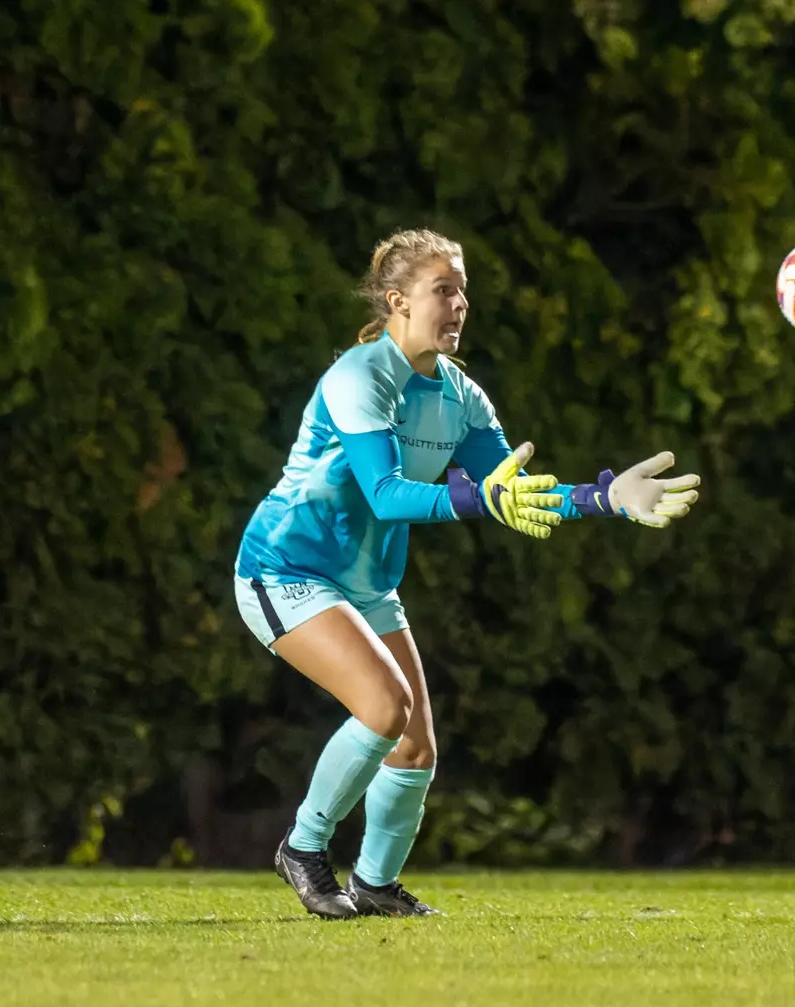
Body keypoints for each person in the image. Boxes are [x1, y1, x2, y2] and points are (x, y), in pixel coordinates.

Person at [234, 228, 701, 920]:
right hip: (286, 567)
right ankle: (303, 850)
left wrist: (605, 498)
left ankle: (375, 885)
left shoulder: (461, 396)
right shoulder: (360, 376)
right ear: (396, 300)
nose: (458, 306)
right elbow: (386, 492)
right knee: (384, 709)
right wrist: (479, 498)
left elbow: (510, 490)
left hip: (365, 583)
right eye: (441, 290)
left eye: (463, 293)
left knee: (416, 744)